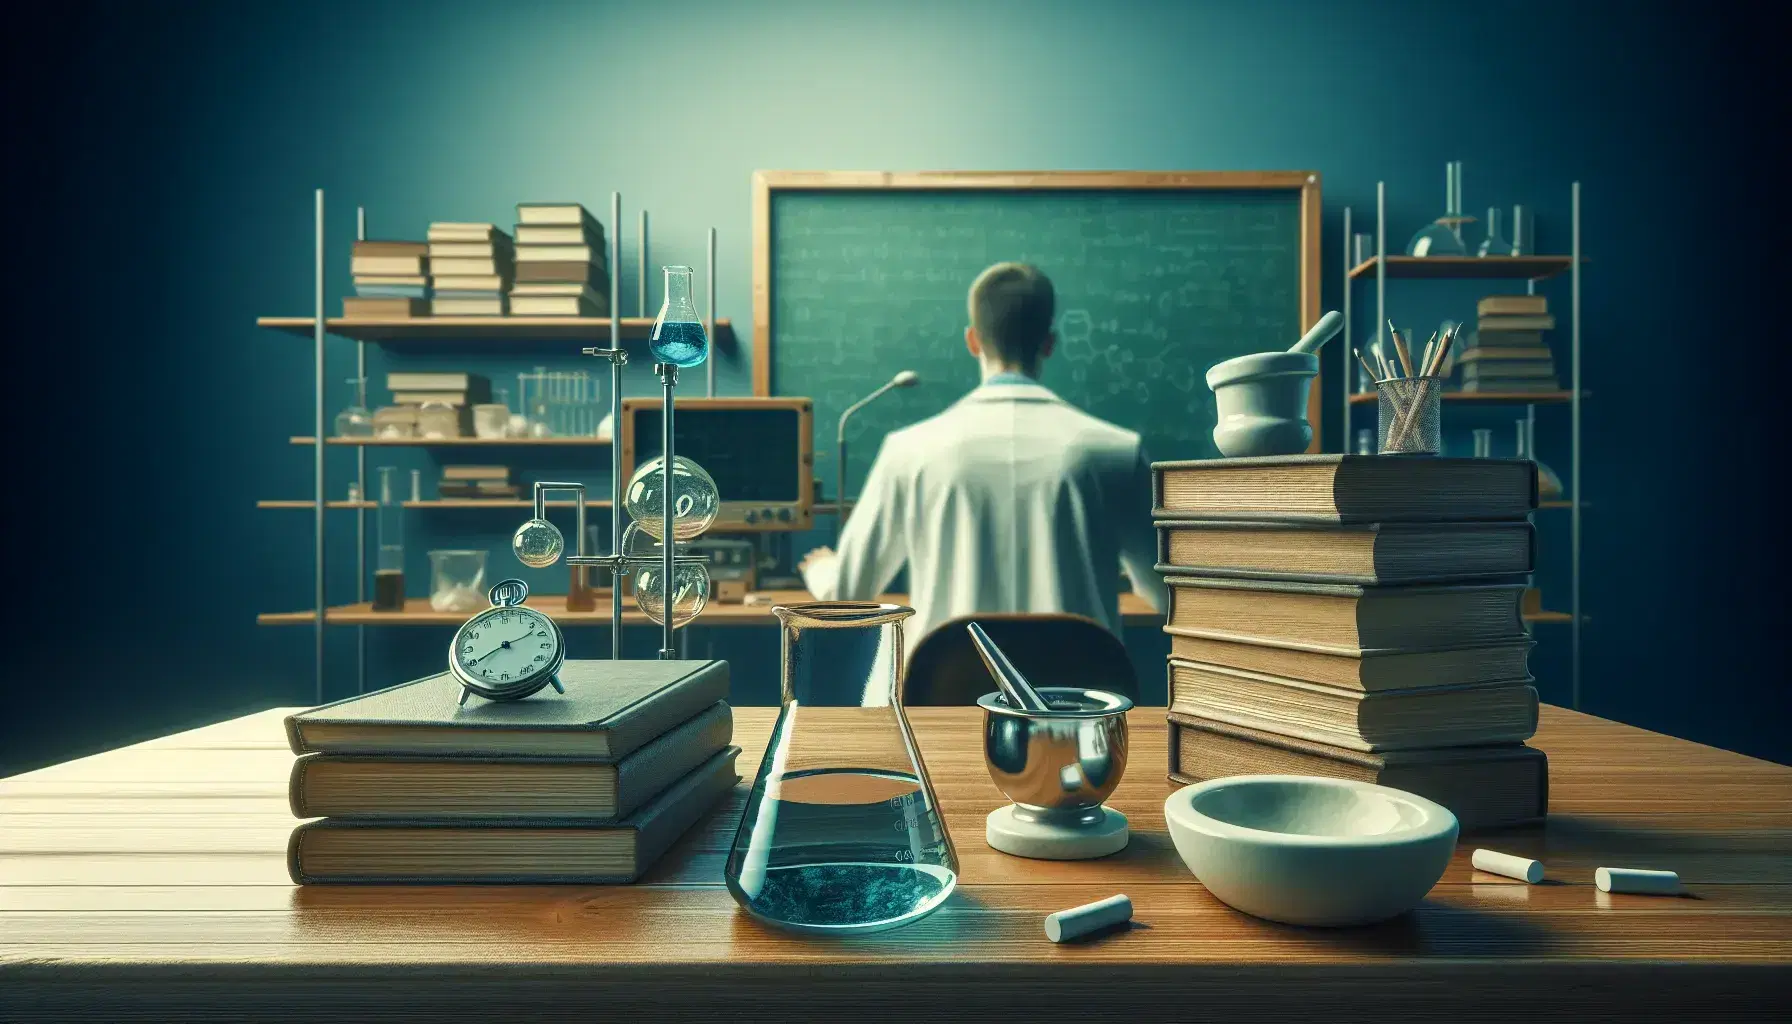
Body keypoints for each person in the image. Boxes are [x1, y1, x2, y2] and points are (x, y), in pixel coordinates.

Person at [799, 261, 1167, 658]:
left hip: (944, 708)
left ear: (973, 341)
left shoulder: (909, 450)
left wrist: (820, 567)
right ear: (1049, 343)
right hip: (1082, 710)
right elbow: (1168, 594)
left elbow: (845, 597)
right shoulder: (1117, 450)